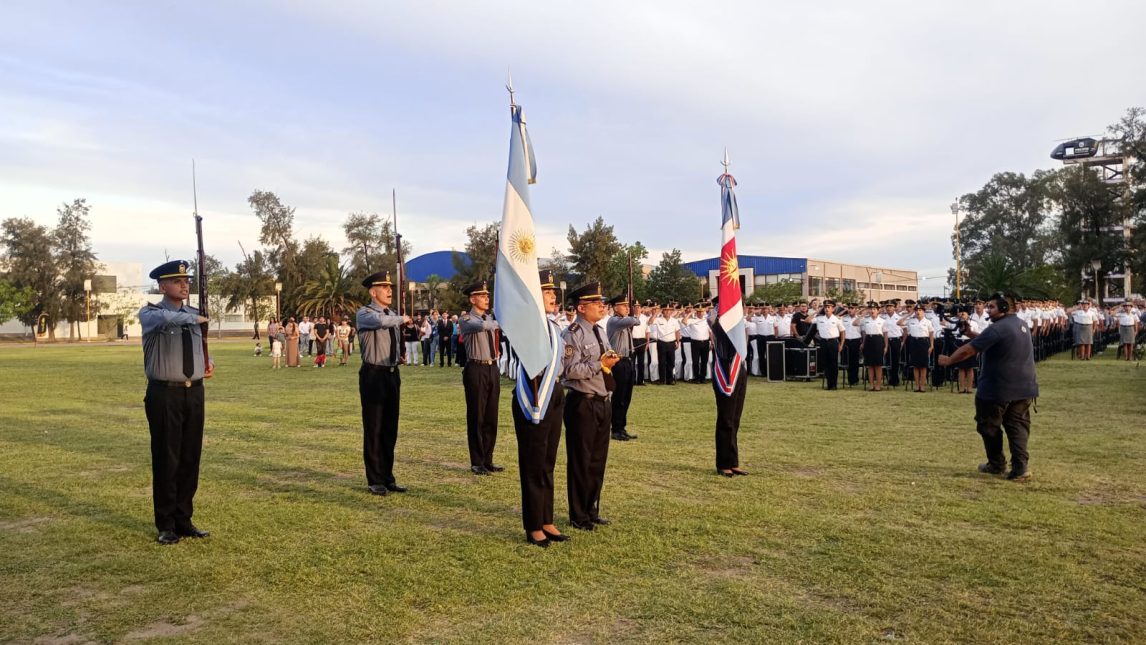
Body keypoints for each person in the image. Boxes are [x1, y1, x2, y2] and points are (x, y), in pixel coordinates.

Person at [139, 260, 215, 545]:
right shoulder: (152, 314)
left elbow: (198, 346)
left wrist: (207, 362)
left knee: (189, 457)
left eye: (187, 281)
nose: (185, 285)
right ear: (162, 286)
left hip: (193, 392)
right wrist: (195, 319)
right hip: (164, 394)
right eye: (177, 281)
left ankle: (184, 519)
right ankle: (166, 523)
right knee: (166, 457)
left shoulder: (194, 315)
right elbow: (170, 321)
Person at [938, 293, 1039, 481]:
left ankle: (996, 464)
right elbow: (991, 341)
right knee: (1017, 427)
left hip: (998, 388)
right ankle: (1021, 468)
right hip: (1024, 387)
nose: (987, 310)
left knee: (988, 426)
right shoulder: (1020, 324)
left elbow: (969, 349)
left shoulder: (997, 328)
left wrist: (949, 360)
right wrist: (970, 334)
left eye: (992, 307)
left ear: (1003, 309)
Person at [515, 270, 569, 548]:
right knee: (534, 462)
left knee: (548, 461)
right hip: (535, 396)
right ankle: (533, 524)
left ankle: (547, 518)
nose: (553, 297)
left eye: (553, 292)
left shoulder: (554, 327)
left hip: (555, 393)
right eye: (547, 292)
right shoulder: (527, 325)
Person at [562, 282, 619, 531]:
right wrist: (599, 364)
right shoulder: (572, 334)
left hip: (603, 400)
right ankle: (578, 514)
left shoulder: (600, 331)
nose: (602, 306)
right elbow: (570, 371)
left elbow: (603, 362)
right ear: (582, 307)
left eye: (601, 302)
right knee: (581, 460)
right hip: (582, 402)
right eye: (596, 303)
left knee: (598, 460)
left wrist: (609, 362)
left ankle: (592, 509)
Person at [356, 271, 411, 496]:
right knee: (374, 427)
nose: (390, 291)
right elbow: (381, 321)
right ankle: (375, 478)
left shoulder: (393, 314)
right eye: (384, 287)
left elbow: (393, 334)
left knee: (390, 428)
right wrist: (401, 319)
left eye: (390, 287)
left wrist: (399, 354)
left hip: (391, 373)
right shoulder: (365, 313)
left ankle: (388, 476)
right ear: (373, 292)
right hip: (373, 375)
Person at [459, 280, 503, 475]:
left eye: (487, 296)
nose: (487, 299)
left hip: (492, 367)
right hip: (476, 368)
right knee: (477, 415)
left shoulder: (489, 318)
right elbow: (484, 326)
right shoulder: (467, 319)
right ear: (472, 299)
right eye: (482, 296)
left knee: (491, 416)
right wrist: (501, 321)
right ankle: (477, 460)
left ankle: (488, 458)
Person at [606, 293, 639, 442]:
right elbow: (635, 321)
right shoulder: (614, 321)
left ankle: (621, 427)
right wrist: (635, 314)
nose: (627, 308)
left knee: (626, 396)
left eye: (627, 305)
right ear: (615, 307)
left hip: (627, 360)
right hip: (617, 362)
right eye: (624, 305)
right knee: (618, 397)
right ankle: (616, 428)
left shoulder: (623, 321)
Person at [809, 300, 845, 390]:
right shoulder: (820, 318)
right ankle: (829, 384)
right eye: (825, 307)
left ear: (833, 309)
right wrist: (817, 312)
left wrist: (841, 344)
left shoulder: (837, 319)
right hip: (824, 342)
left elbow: (842, 332)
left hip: (833, 342)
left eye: (829, 307)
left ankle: (834, 384)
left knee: (833, 364)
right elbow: (807, 320)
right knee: (826, 364)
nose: (827, 309)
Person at [900, 304, 935, 392]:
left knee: (923, 366)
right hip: (914, 342)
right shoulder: (911, 320)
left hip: (924, 342)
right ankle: (917, 385)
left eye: (920, 310)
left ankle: (922, 386)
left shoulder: (927, 322)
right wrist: (909, 314)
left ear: (923, 312)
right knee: (915, 366)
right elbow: (899, 323)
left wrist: (931, 345)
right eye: (916, 310)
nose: (918, 312)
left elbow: (931, 334)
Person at [857, 303, 887, 391]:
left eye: (874, 309)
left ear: (878, 311)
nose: (872, 311)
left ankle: (878, 385)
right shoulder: (866, 320)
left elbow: (885, 334)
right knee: (870, 365)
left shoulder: (882, 321)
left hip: (878, 340)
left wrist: (886, 346)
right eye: (871, 309)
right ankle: (871, 384)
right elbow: (855, 323)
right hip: (868, 341)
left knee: (878, 365)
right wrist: (863, 313)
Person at [649, 303, 681, 385]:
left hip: (671, 343)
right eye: (665, 310)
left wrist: (678, 341)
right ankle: (662, 380)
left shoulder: (674, 320)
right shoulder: (658, 319)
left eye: (669, 310)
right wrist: (656, 313)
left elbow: (677, 331)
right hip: (661, 343)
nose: (667, 312)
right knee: (662, 362)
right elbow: (650, 322)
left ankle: (670, 380)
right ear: (662, 311)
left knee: (671, 362)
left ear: (671, 311)